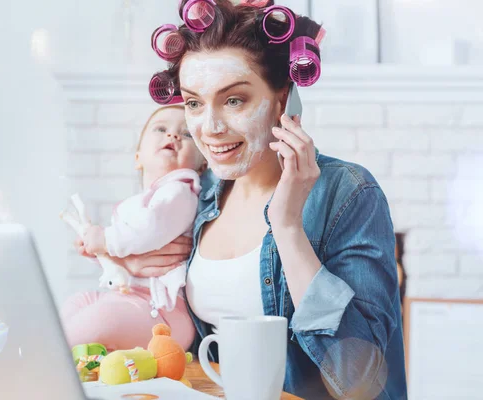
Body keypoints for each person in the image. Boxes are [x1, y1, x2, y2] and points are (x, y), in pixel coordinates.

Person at [81, 1, 408, 398]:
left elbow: (359, 378)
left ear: (283, 100)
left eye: (234, 100)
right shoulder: (198, 195)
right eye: (194, 103)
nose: (211, 128)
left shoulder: (348, 192)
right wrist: (126, 260)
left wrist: (287, 227)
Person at [61, 105, 205, 352]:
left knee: (94, 323)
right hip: (129, 297)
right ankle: (63, 355)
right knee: (75, 305)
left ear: (201, 166)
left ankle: (50, 356)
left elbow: (150, 227)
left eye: (188, 134)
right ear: (138, 157)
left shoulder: (180, 191)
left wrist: (104, 239)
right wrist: (99, 254)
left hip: (163, 313)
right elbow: (127, 252)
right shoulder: (138, 202)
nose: (173, 136)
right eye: (161, 129)